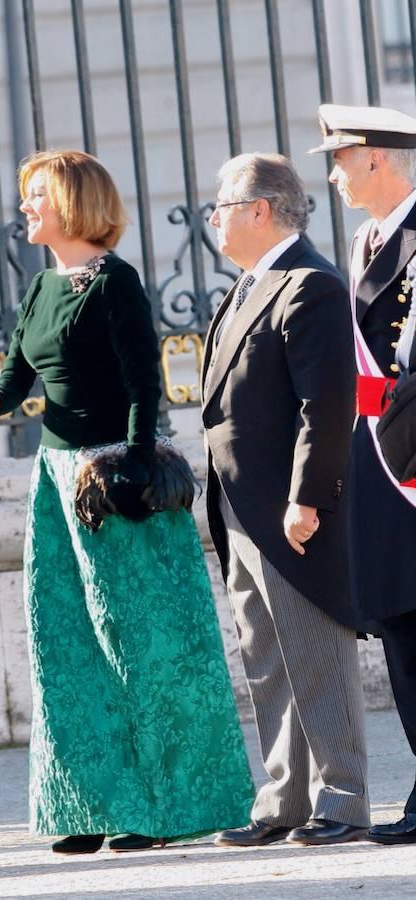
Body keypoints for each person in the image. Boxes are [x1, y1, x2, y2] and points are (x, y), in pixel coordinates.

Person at [0, 149, 254, 853]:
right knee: (66, 642)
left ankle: (161, 809)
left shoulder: (115, 282)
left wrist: (127, 465)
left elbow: (143, 384)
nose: (24, 207)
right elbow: (10, 384)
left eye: (36, 195)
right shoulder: (39, 289)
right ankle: (88, 806)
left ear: (69, 202)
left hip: (111, 482)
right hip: (52, 482)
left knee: (142, 644)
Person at [202, 152, 370, 848]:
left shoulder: (310, 286)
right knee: (266, 658)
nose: (213, 218)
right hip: (242, 505)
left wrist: (307, 498)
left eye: (221, 205)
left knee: (315, 655)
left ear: (260, 209)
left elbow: (324, 405)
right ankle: (284, 799)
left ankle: (343, 798)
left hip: (289, 508)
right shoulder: (247, 285)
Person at [309, 103, 416, 845]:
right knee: (403, 627)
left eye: (340, 158)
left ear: (376, 158)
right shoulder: (362, 240)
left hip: (412, 455)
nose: (333, 173)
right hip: (379, 459)